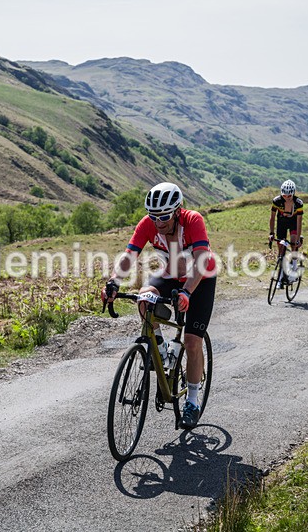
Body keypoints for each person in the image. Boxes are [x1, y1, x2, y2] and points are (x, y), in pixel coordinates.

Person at [102, 182, 216, 430]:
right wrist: (113, 281)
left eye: (164, 216)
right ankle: (160, 352)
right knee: (144, 298)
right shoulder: (148, 224)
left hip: (201, 280)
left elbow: (201, 261)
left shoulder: (193, 221)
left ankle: (193, 402)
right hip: (170, 276)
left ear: (177, 211)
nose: (159, 222)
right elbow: (129, 255)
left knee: (192, 342)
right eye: (154, 216)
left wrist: (187, 292)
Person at [268, 179, 303, 287]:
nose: (286, 197)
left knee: (293, 243)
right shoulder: (277, 201)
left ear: (293, 193)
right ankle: (280, 277)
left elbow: (299, 221)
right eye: (284, 195)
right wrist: (271, 233)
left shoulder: (298, 203)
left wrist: (297, 239)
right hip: (281, 223)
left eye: (289, 196)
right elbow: (272, 218)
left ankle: (294, 266)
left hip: (293, 223)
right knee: (281, 251)